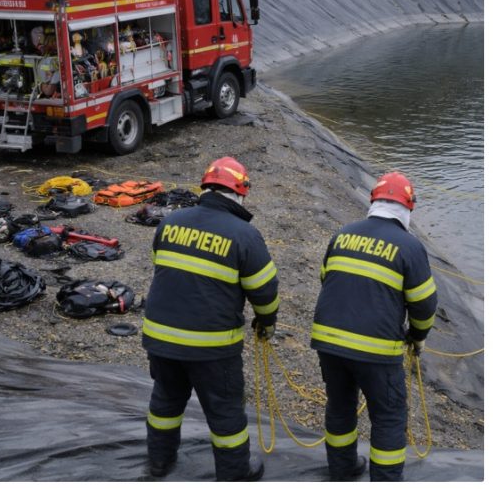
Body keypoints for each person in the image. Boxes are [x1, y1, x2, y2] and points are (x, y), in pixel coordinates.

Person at [142, 156, 278, 481]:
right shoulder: (245, 235)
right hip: (212, 348)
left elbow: (160, 265)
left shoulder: (170, 222)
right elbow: (265, 290)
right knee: (226, 413)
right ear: (240, 193)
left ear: (205, 188)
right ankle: (235, 474)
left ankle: (159, 464)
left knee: (165, 402)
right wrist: (266, 322)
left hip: (160, 339)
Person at [310, 171, 436, 482]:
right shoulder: (410, 246)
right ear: (408, 207)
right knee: (389, 417)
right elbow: (424, 304)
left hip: (328, 342)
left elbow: (326, 279)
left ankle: (342, 470)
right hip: (377, 350)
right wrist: (417, 336)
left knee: (340, 406)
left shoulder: (342, 234)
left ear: (373, 202)